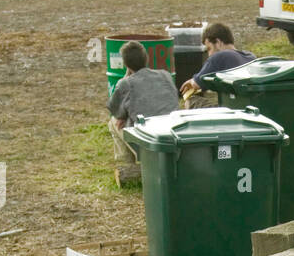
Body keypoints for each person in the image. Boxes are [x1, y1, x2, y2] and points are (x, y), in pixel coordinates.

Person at [107, 40, 180, 175]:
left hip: (146, 140)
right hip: (172, 135)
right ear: (146, 58)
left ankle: (128, 165)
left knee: (113, 122)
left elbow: (114, 110)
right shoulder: (165, 75)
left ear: (126, 64)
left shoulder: (126, 83)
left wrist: (123, 116)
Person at [179, 23, 256, 98]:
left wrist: (192, 81)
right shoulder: (251, 56)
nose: (209, 54)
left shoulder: (220, 56)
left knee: (191, 100)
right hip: (252, 104)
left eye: (209, 49)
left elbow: (196, 84)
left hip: (233, 105)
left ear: (218, 42)